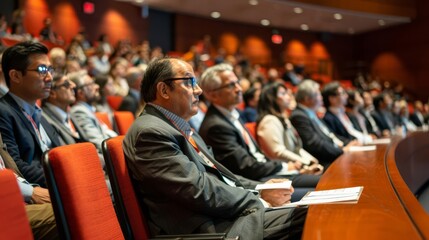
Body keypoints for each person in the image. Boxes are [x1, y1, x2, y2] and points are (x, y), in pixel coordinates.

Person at [123, 57, 306, 239]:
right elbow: (197, 190)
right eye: (189, 81)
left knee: (314, 205)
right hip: (210, 229)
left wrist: (260, 188)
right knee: (309, 215)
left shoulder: (177, 126)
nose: (198, 90)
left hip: (223, 216)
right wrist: (259, 199)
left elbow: (221, 178)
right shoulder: (150, 133)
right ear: (163, 90)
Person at [199, 64, 320, 192]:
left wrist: (295, 167)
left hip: (266, 172)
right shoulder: (216, 126)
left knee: (322, 182)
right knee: (318, 189)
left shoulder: (233, 115)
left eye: (237, 82)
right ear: (212, 95)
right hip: (255, 181)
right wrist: (285, 166)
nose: (239, 88)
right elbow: (245, 167)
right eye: (231, 85)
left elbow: (257, 156)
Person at [0, 41, 61, 186]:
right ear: (15, 76)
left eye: (50, 70)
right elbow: (16, 165)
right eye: (41, 69)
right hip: (43, 188)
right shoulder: (3, 111)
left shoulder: (40, 113)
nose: (49, 78)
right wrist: (65, 178)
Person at [0, 132, 58, 240]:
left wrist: (33, 188)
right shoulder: (7, 115)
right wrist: (31, 193)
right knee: (70, 212)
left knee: (78, 204)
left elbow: (9, 171)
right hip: (5, 206)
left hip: (19, 196)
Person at [256, 82, 323, 173]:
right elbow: (277, 152)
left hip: (295, 167)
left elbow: (297, 148)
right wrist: (305, 163)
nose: (289, 96)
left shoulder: (284, 119)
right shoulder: (269, 120)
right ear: (272, 99)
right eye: (283, 93)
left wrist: (311, 161)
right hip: (281, 170)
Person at [290, 80, 357, 169]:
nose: (321, 97)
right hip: (323, 162)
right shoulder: (299, 116)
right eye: (318, 94)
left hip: (333, 155)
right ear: (307, 99)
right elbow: (314, 143)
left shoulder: (312, 113)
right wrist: (341, 151)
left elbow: (330, 135)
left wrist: (348, 143)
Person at [69, 70, 117, 155]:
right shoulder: (79, 112)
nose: (97, 86)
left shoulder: (88, 110)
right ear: (81, 93)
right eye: (91, 84)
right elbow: (99, 144)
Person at [42, 74, 81, 145]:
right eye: (66, 84)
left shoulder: (69, 114)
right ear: (52, 93)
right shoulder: (44, 119)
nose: (73, 86)